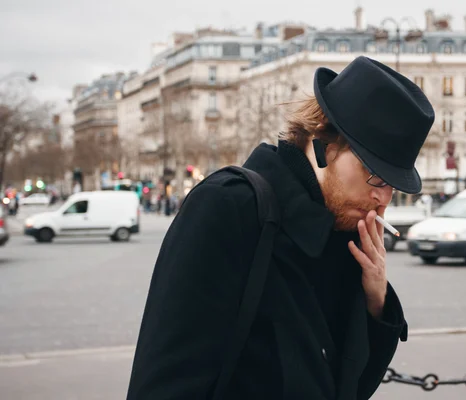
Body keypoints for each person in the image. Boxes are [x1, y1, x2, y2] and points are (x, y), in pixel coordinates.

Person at [126, 56, 435, 399]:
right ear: (322, 144)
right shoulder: (227, 208)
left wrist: (375, 303)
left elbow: (352, 389)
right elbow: (164, 384)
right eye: (375, 173)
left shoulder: (344, 234)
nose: (383, 198)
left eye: (393, 183)